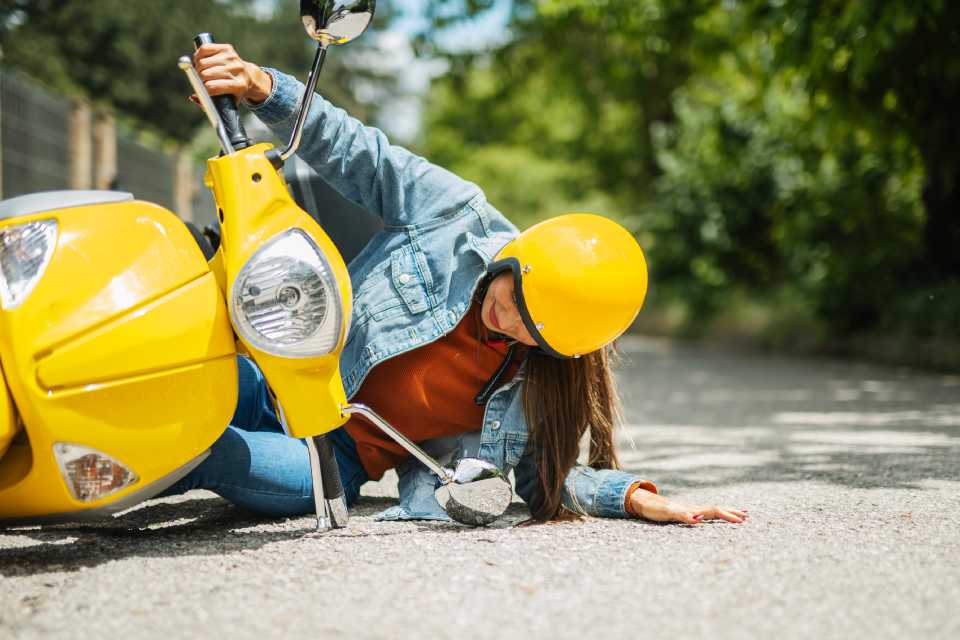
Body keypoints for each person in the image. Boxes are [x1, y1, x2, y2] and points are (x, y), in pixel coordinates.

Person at [162, 43, 748, 526]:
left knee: (195, 452)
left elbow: (543, 476)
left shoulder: (536, 378)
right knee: (155, 383)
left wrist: (635, 498)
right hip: (275, 366)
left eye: (533, 332)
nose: (509, 321)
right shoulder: (457, 215)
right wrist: (266, 86)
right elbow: (360, 154)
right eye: (518, 296)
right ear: (518, 260)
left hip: (330, 456)